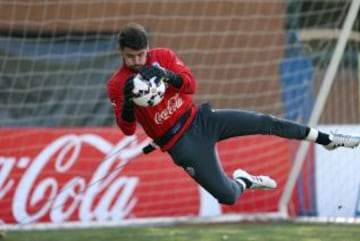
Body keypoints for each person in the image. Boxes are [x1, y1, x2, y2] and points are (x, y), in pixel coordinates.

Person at [107, 23, 360, 205]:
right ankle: (245, 181)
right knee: (228, 197)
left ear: (147, 47)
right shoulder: (117, 85)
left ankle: (326, 139)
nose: (138, 61)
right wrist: (129, 102)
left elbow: (190, 85)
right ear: (120, 50)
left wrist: (166, 75)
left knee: (265, 121)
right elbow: (127, 130)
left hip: (202, 119)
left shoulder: (162, 57)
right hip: (182, 145)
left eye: (141, 54)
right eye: (131, 56)